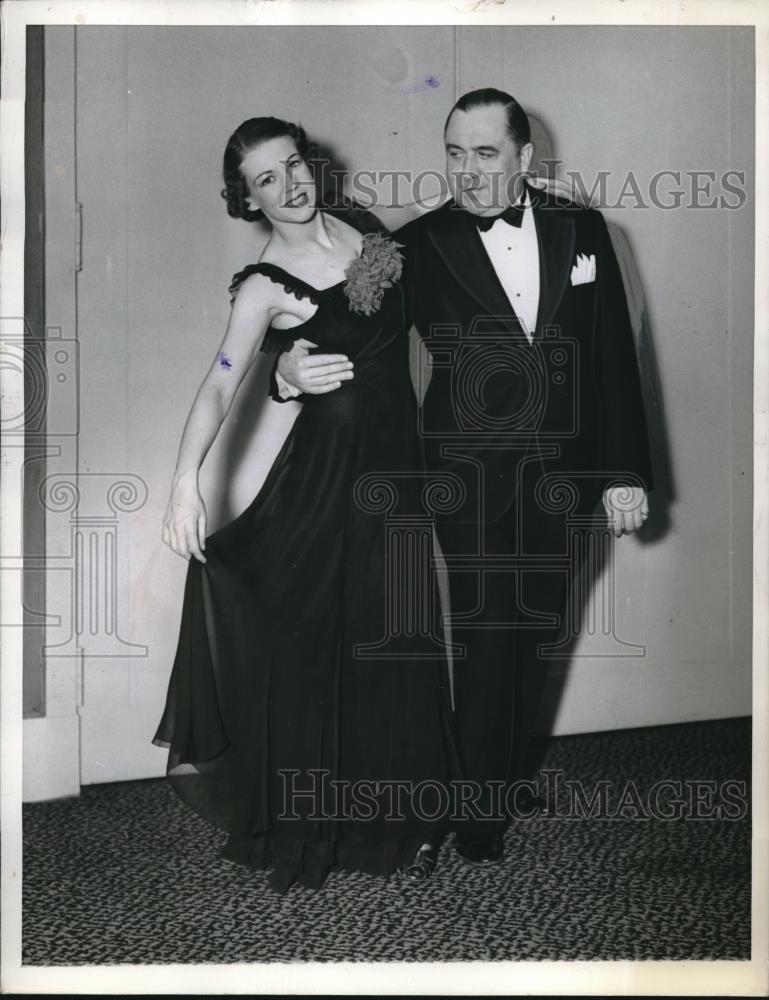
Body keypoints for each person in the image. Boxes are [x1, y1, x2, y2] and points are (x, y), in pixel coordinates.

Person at [275, 89, 654, 866]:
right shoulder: (414, 244)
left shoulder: (584, 231)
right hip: (466, 478)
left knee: (540, 633)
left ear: (524, 159)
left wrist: (623, 474)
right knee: (488, 636)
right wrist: (282, 368)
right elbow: (343, 324)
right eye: (454, 152)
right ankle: (478, 807)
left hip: (568, 477)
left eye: (485, 153)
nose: (467, 170)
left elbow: (613, 353)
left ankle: (505, 772)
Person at [153, 116, 460, 894]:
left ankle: (406, 819)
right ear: (246, 198)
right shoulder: (261, 284)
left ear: (310, 165)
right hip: (325, 486)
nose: (286, 186)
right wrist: (186, 477)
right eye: (264, 179)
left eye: (291, 166)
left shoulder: (365, 229)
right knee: (320, 642)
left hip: (397, 477)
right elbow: (223, 377)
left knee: (398, 635)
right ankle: (318, 819)